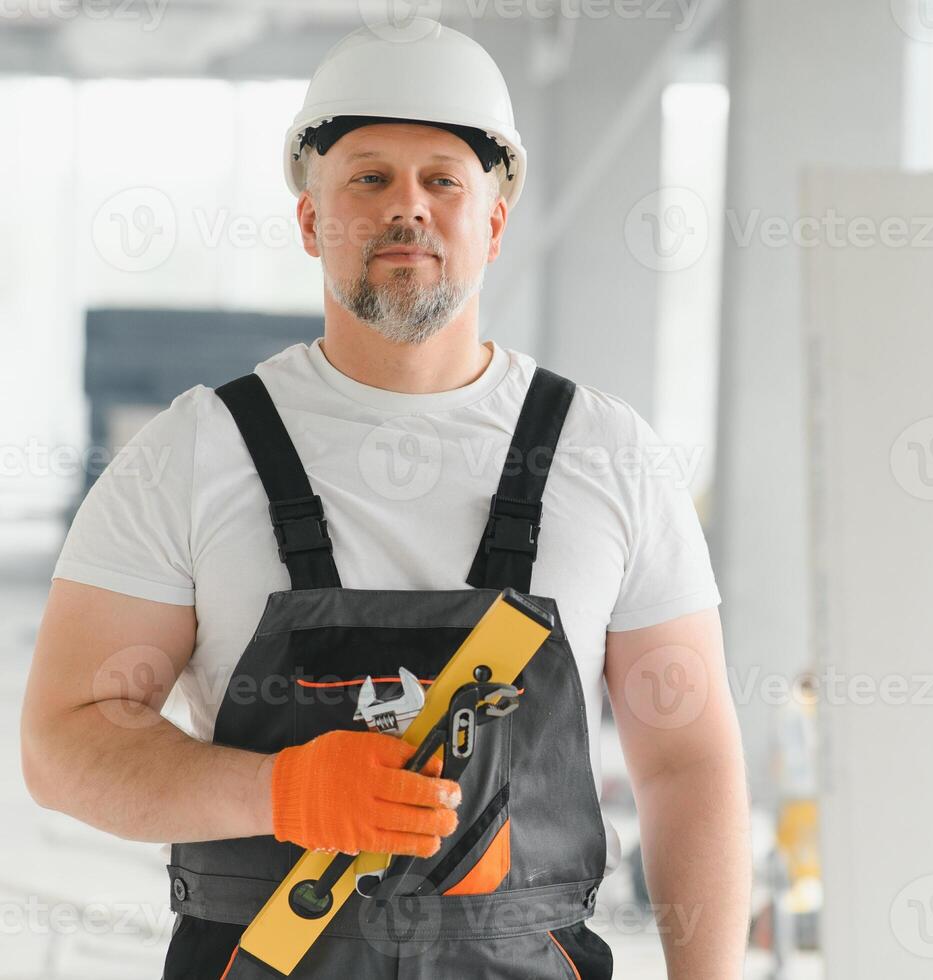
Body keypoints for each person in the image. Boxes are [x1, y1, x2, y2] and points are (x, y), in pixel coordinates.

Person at [19, 19, 750, 979]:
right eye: (368, 177)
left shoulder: (606, 457)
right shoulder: (190, 456)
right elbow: (63, 745)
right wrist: (275, 794)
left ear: (491, 220)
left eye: (443, 179)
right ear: (311, 219)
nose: (407, 207)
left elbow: (687, 763)